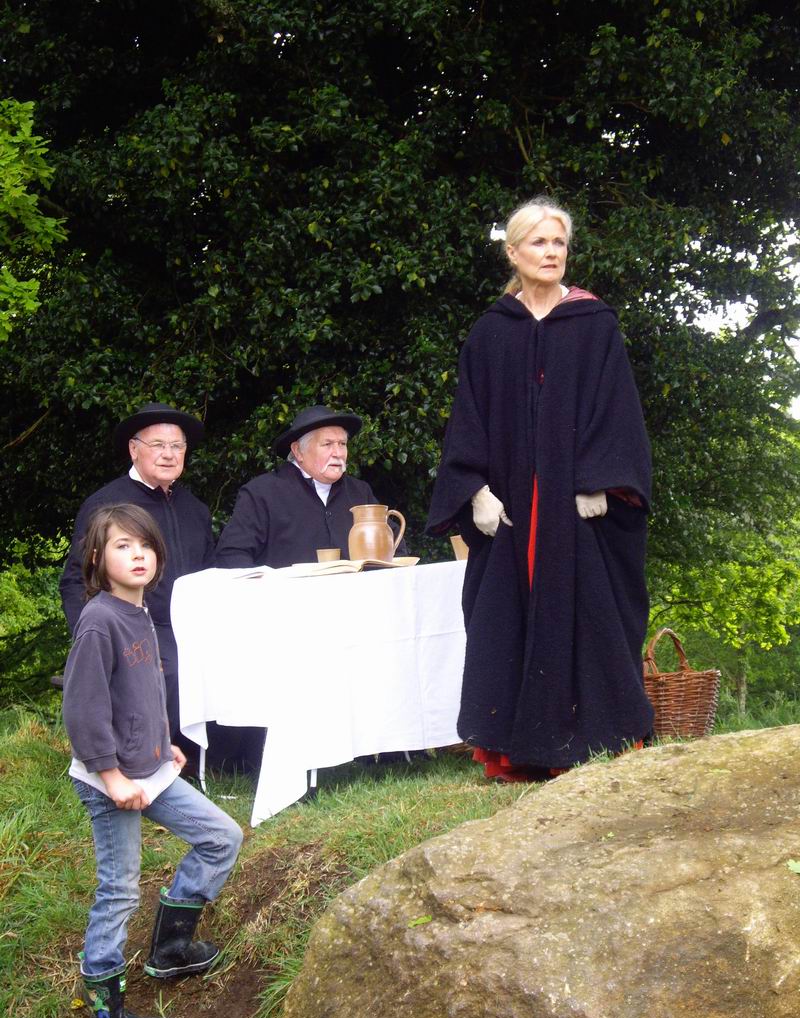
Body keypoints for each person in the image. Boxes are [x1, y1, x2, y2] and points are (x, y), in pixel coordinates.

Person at [426, 197, 653, 781]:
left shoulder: (594, 324)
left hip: (577, 510)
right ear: (513, 252)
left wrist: (603, 479)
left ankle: (594, 743)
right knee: (506, 616)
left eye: (559, 243)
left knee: (590, 616)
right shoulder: (490, 333)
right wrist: (473, 488)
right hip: (510, 513)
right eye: (539, 243)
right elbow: (468, 416)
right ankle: (516, 752)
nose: (551, 253)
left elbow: (618, 407)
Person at [62, 503, 243, 1018]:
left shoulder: (140, 614)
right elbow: (84, 709)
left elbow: (141, 692)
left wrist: (164, 745)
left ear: (158, 557)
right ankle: (107, 1015)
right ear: (97, 559)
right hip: (109, 782)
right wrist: (113, 777)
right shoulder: (98, 620)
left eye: (144, 545)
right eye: (122, 546)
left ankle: (169, 950)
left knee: (221, 837)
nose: (136, 554)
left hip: (151, 769)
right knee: (119, 890)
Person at [59, 402, 215, 756]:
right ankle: (160, 760)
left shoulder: (195, 508)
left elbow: (211, 572)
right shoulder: (106, 504)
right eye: (157, 445)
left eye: (177, 447)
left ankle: (229, 760)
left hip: (195, 628)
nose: (168, 455)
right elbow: (74, 580)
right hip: (131, 628)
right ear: (134, 449)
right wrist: (92, 638)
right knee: (171, 668)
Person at [216, 404, 404, 567]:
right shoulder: (262, 493)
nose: (338, 453)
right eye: (328, 444)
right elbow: (231, 555)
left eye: (342, 444)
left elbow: (395, 544)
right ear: (298, 451)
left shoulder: (359, 492)